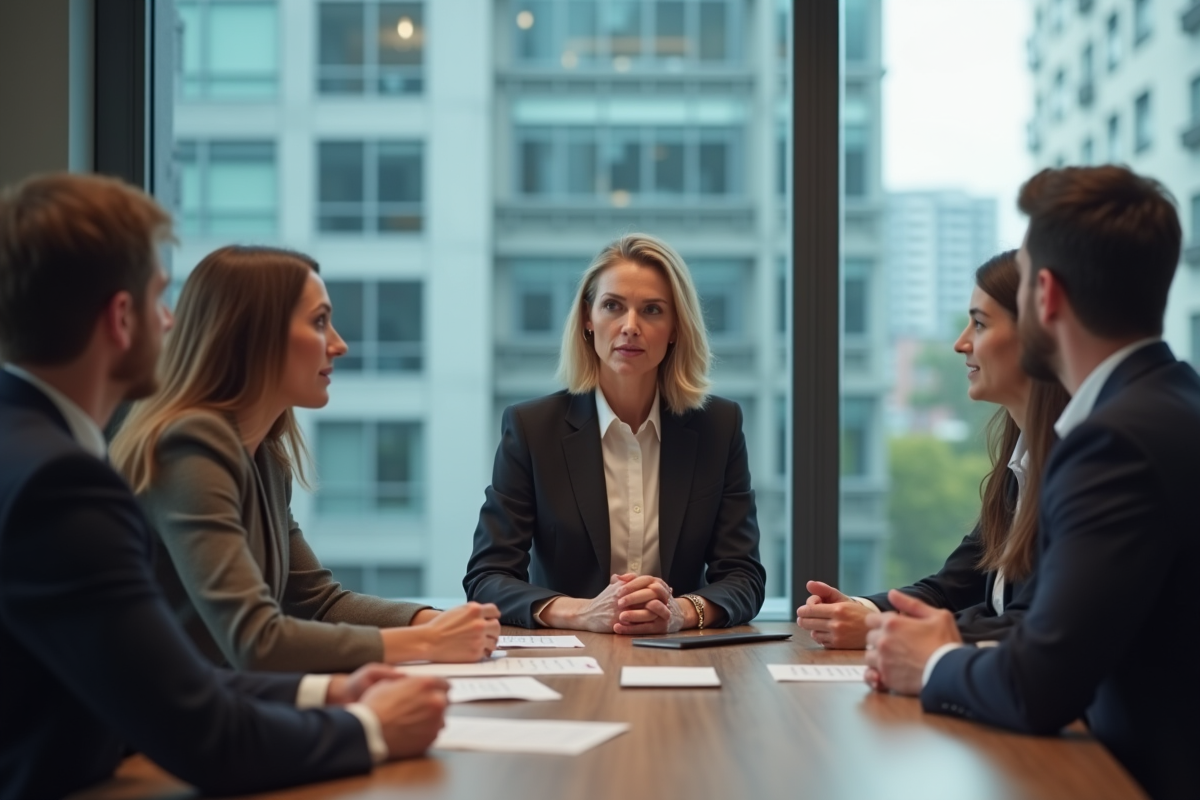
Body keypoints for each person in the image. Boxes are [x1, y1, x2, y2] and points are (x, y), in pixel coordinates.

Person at [0, 173, 450, 800]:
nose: (171, 322)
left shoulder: (34, 449)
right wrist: (369, 727)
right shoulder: (61, 482)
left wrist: (326, 689)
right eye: (160, 298)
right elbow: (203, 724)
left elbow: (162, 678)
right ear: (121, 318)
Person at [864, 166, 1199, 800]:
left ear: (1045, 297)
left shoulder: (1111, 441)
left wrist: (932, 660)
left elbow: (1039, 683)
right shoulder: (1175, 400)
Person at [109, 245, 500, 674]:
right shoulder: (189, 447)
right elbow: (256, 641)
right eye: (319, 322)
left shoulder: (265, 460)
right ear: (254, 335)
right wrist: (427, 640)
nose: (339, 345)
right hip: (147, 734)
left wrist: (440, 623)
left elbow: (317, 601)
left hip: (220, 711)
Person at [463, 233, 766, 633]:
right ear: (588, 319)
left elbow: (743, 575)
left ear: (676, 327)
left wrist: (680, 611)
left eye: (653, 310)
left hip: (679, 657)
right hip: (570, 659)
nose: (630, 327)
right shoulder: (532, 428)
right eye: (612, 306)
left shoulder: (719, 427)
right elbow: (487, 579)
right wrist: (580, 612)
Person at [797, 251, 1069, 648]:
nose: (961, 343)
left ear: (1035, 336)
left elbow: (1029, 622)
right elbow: (951, 588)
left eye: (979, 323)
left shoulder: (1076, 468)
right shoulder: (1020, 466)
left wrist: (880, 631)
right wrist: (862, 611)